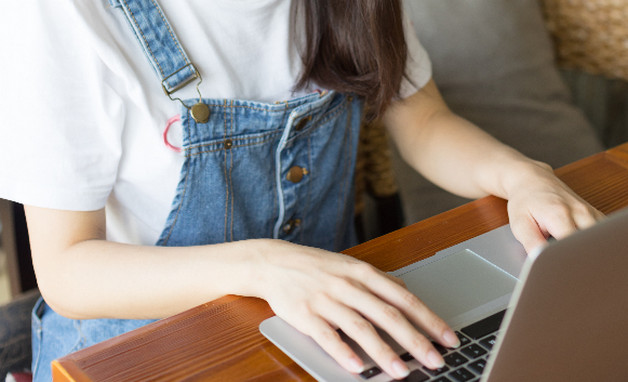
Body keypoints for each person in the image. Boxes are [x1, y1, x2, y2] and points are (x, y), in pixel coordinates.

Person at [0, 1, 602, 381]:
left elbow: (422, 121)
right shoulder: (63, 14)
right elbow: (68, 271)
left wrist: (524, 176)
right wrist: (263, 267)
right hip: (138, 351)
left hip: (332, 330)